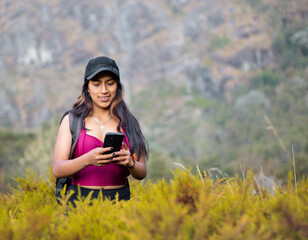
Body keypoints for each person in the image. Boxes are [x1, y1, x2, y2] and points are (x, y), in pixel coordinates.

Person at [52, 56, 148, 204]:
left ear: (117, 86)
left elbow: (142, 172)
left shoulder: (129, 122)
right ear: (87, 88)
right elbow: (58, 169)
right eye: (96, 84)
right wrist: (87, 160)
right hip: (79, 203)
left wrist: (130, 163)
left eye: (110, 83)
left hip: (120, 202)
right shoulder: (72, 121)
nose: (104, 90)